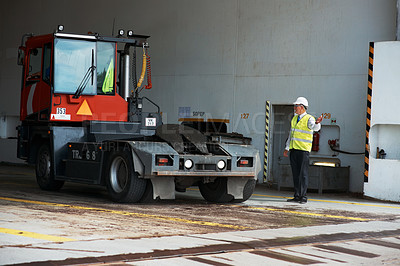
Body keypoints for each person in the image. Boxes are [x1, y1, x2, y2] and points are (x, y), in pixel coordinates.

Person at [283, 97, 323, 204]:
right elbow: (291, 134)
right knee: (295, 174)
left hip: (303, 151)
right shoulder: (294, 119)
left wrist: (317, 123)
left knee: (303, 174)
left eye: (296, 106)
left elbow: (314, 128)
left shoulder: (309, 118)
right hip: (293, 150)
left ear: (302, 107)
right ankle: (296, 195)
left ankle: (303, 196)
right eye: (295, 106)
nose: (294, 108)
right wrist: (287, 148)